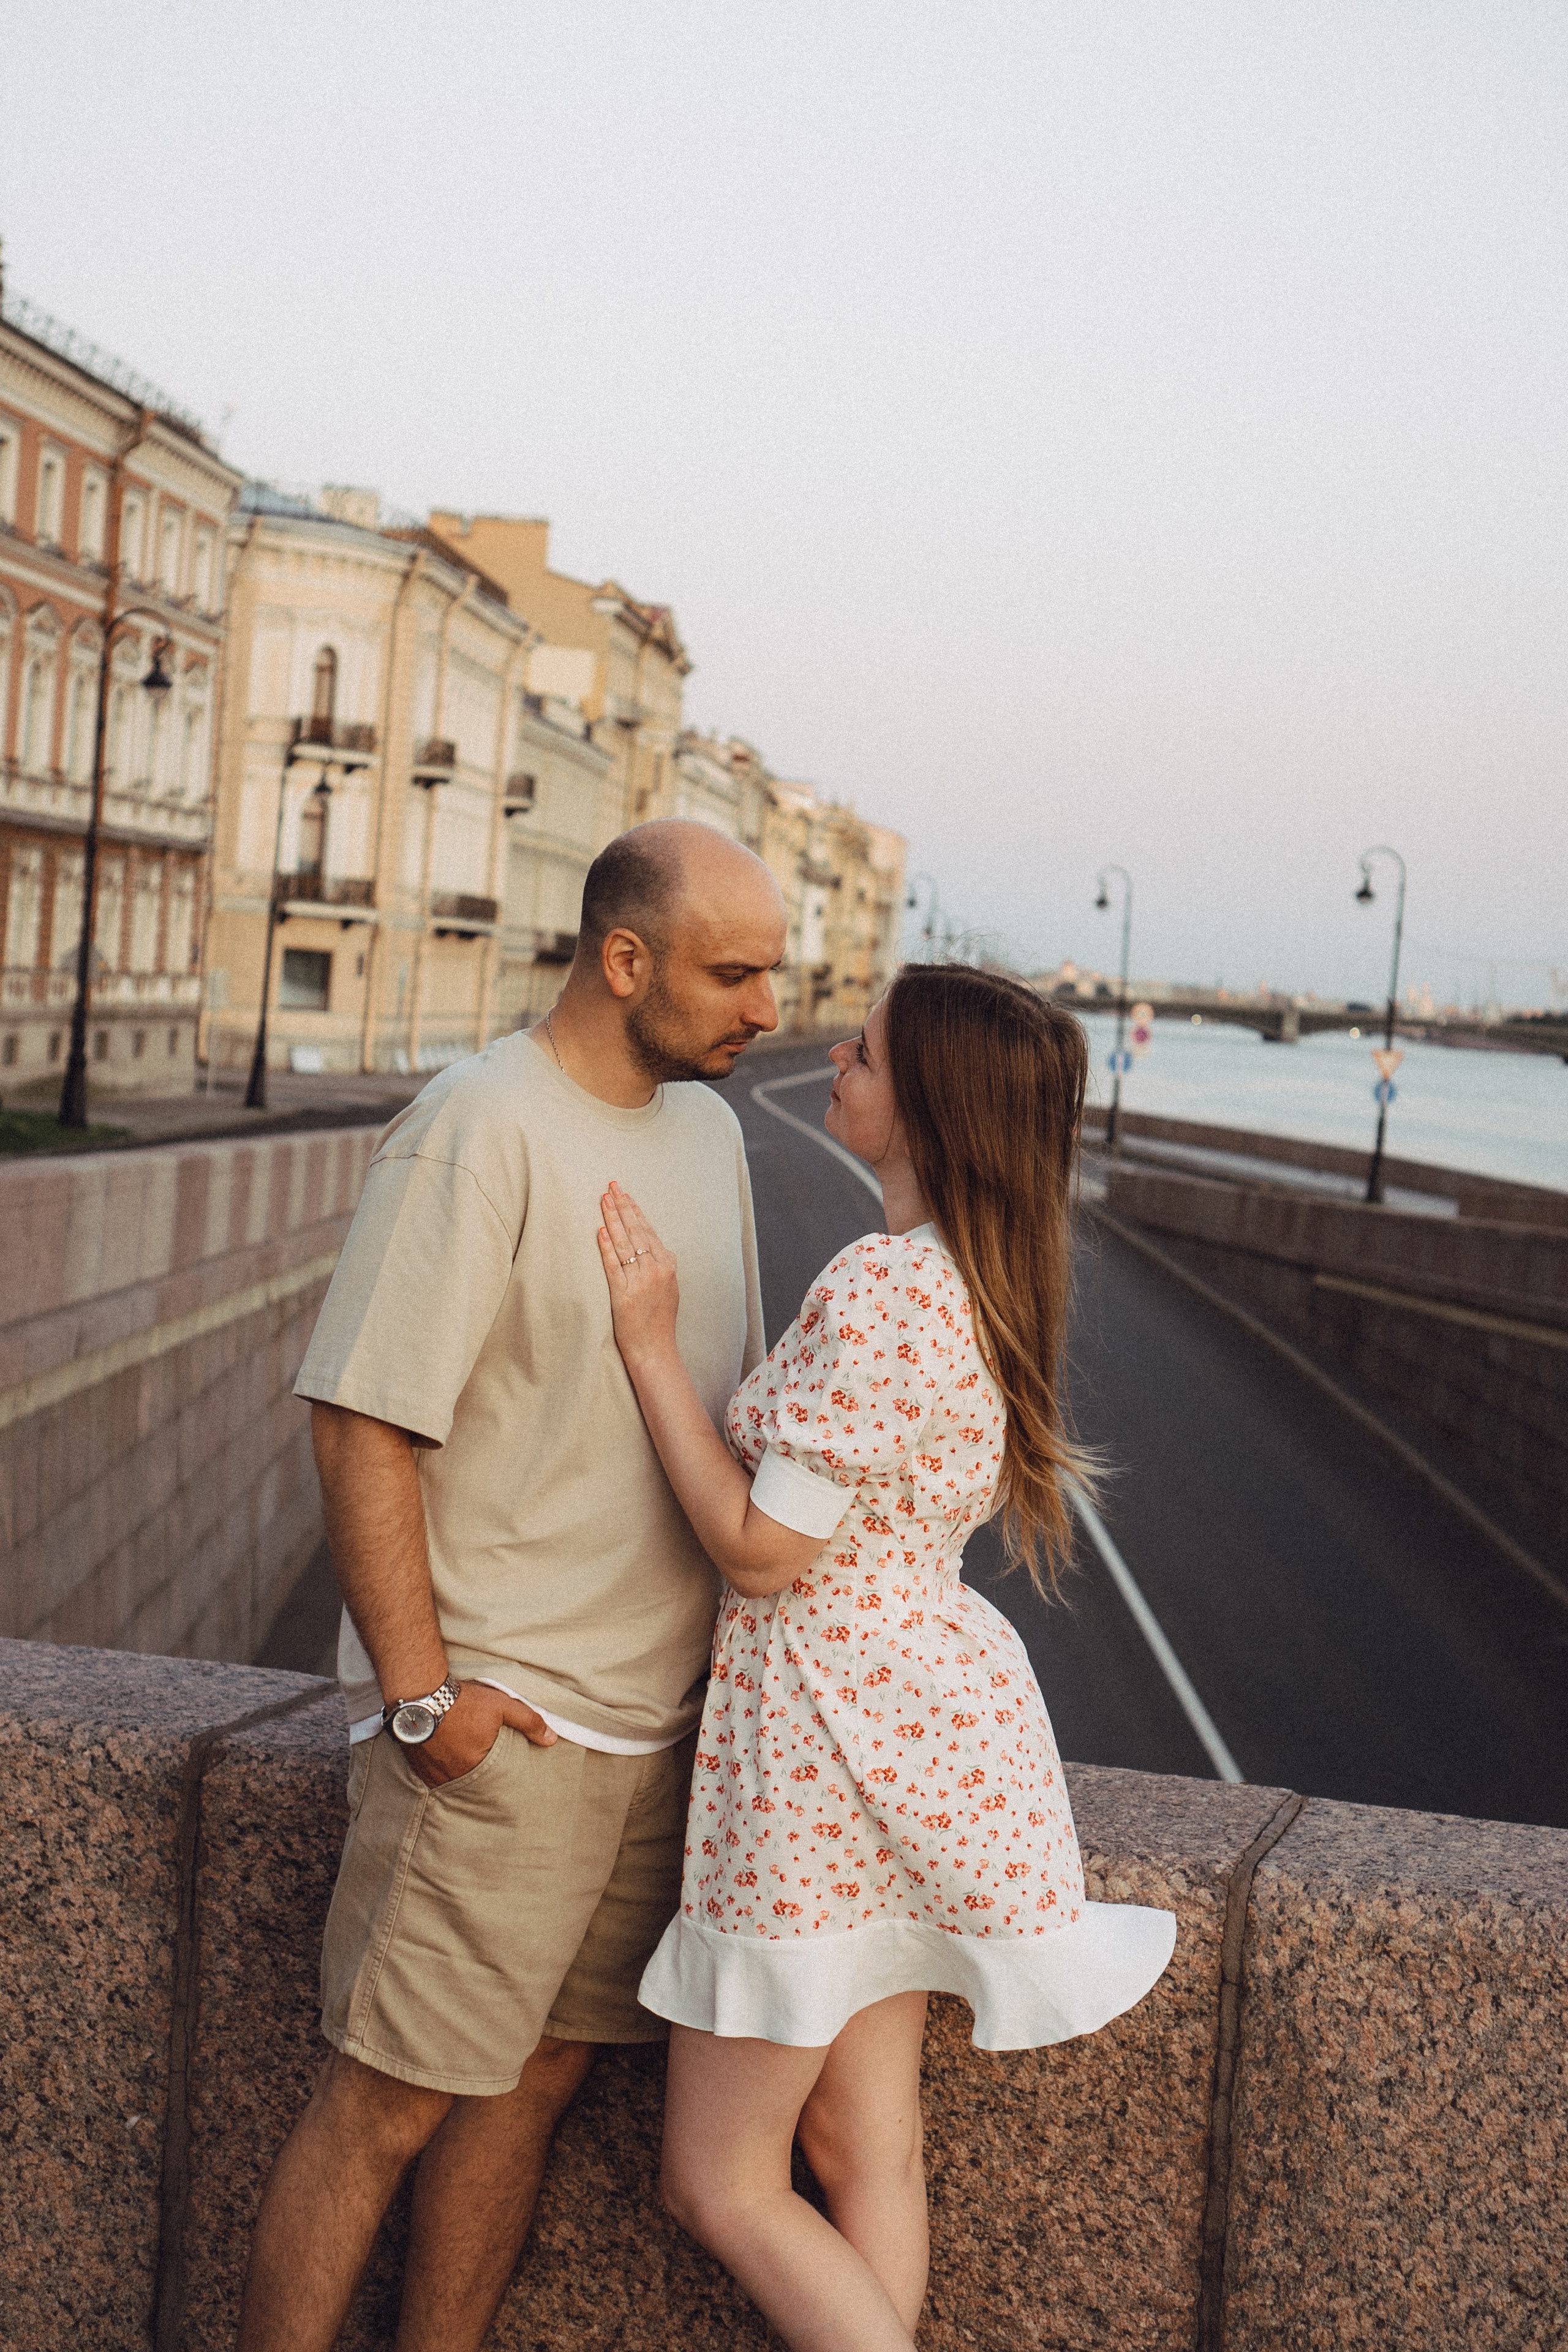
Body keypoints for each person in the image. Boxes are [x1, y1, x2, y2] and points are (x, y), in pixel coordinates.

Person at [238, 821, 786, 2352]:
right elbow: (361, 1419)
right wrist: (424, 1703)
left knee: (532, 2084)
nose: (766, 1009)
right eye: (732, 975)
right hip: (506, 1735)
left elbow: (721, 1408)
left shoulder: (710, 1135)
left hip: (656, 1734)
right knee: (384, 2106)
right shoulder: (477, 1125)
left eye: (771, 974)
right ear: (625, 960)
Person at [595, 962, 1177, 2352]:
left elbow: (760, 1552)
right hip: (911, 1732)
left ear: (926, 1106)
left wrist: (649, 1349)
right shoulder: (979, 1279)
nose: (834, 1064)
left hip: (816, 1748)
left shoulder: (882, 1289)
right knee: (866, 2154)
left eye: (859, 1054)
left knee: (719, 2179)